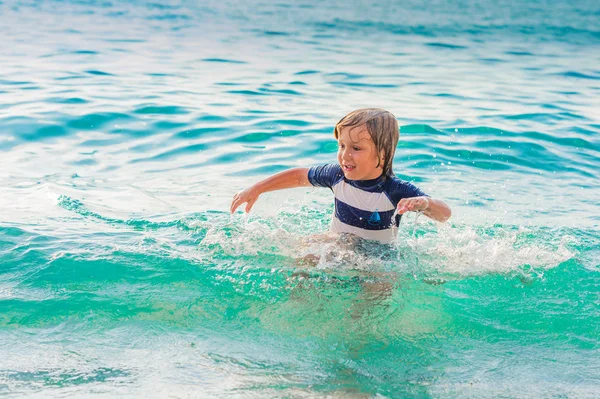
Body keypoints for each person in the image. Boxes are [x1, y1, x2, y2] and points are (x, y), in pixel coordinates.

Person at [230, 108, 451, 244]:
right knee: (306, 253)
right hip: (338, 243)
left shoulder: (395, 190)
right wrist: (256, 188)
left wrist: (425, 203)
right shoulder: (337, 176)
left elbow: (444, 215)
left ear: (382, 155)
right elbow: (298, 176)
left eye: (356, 148)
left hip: (378, 259)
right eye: (341, 145)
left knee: (381, 284)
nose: (345, 155)